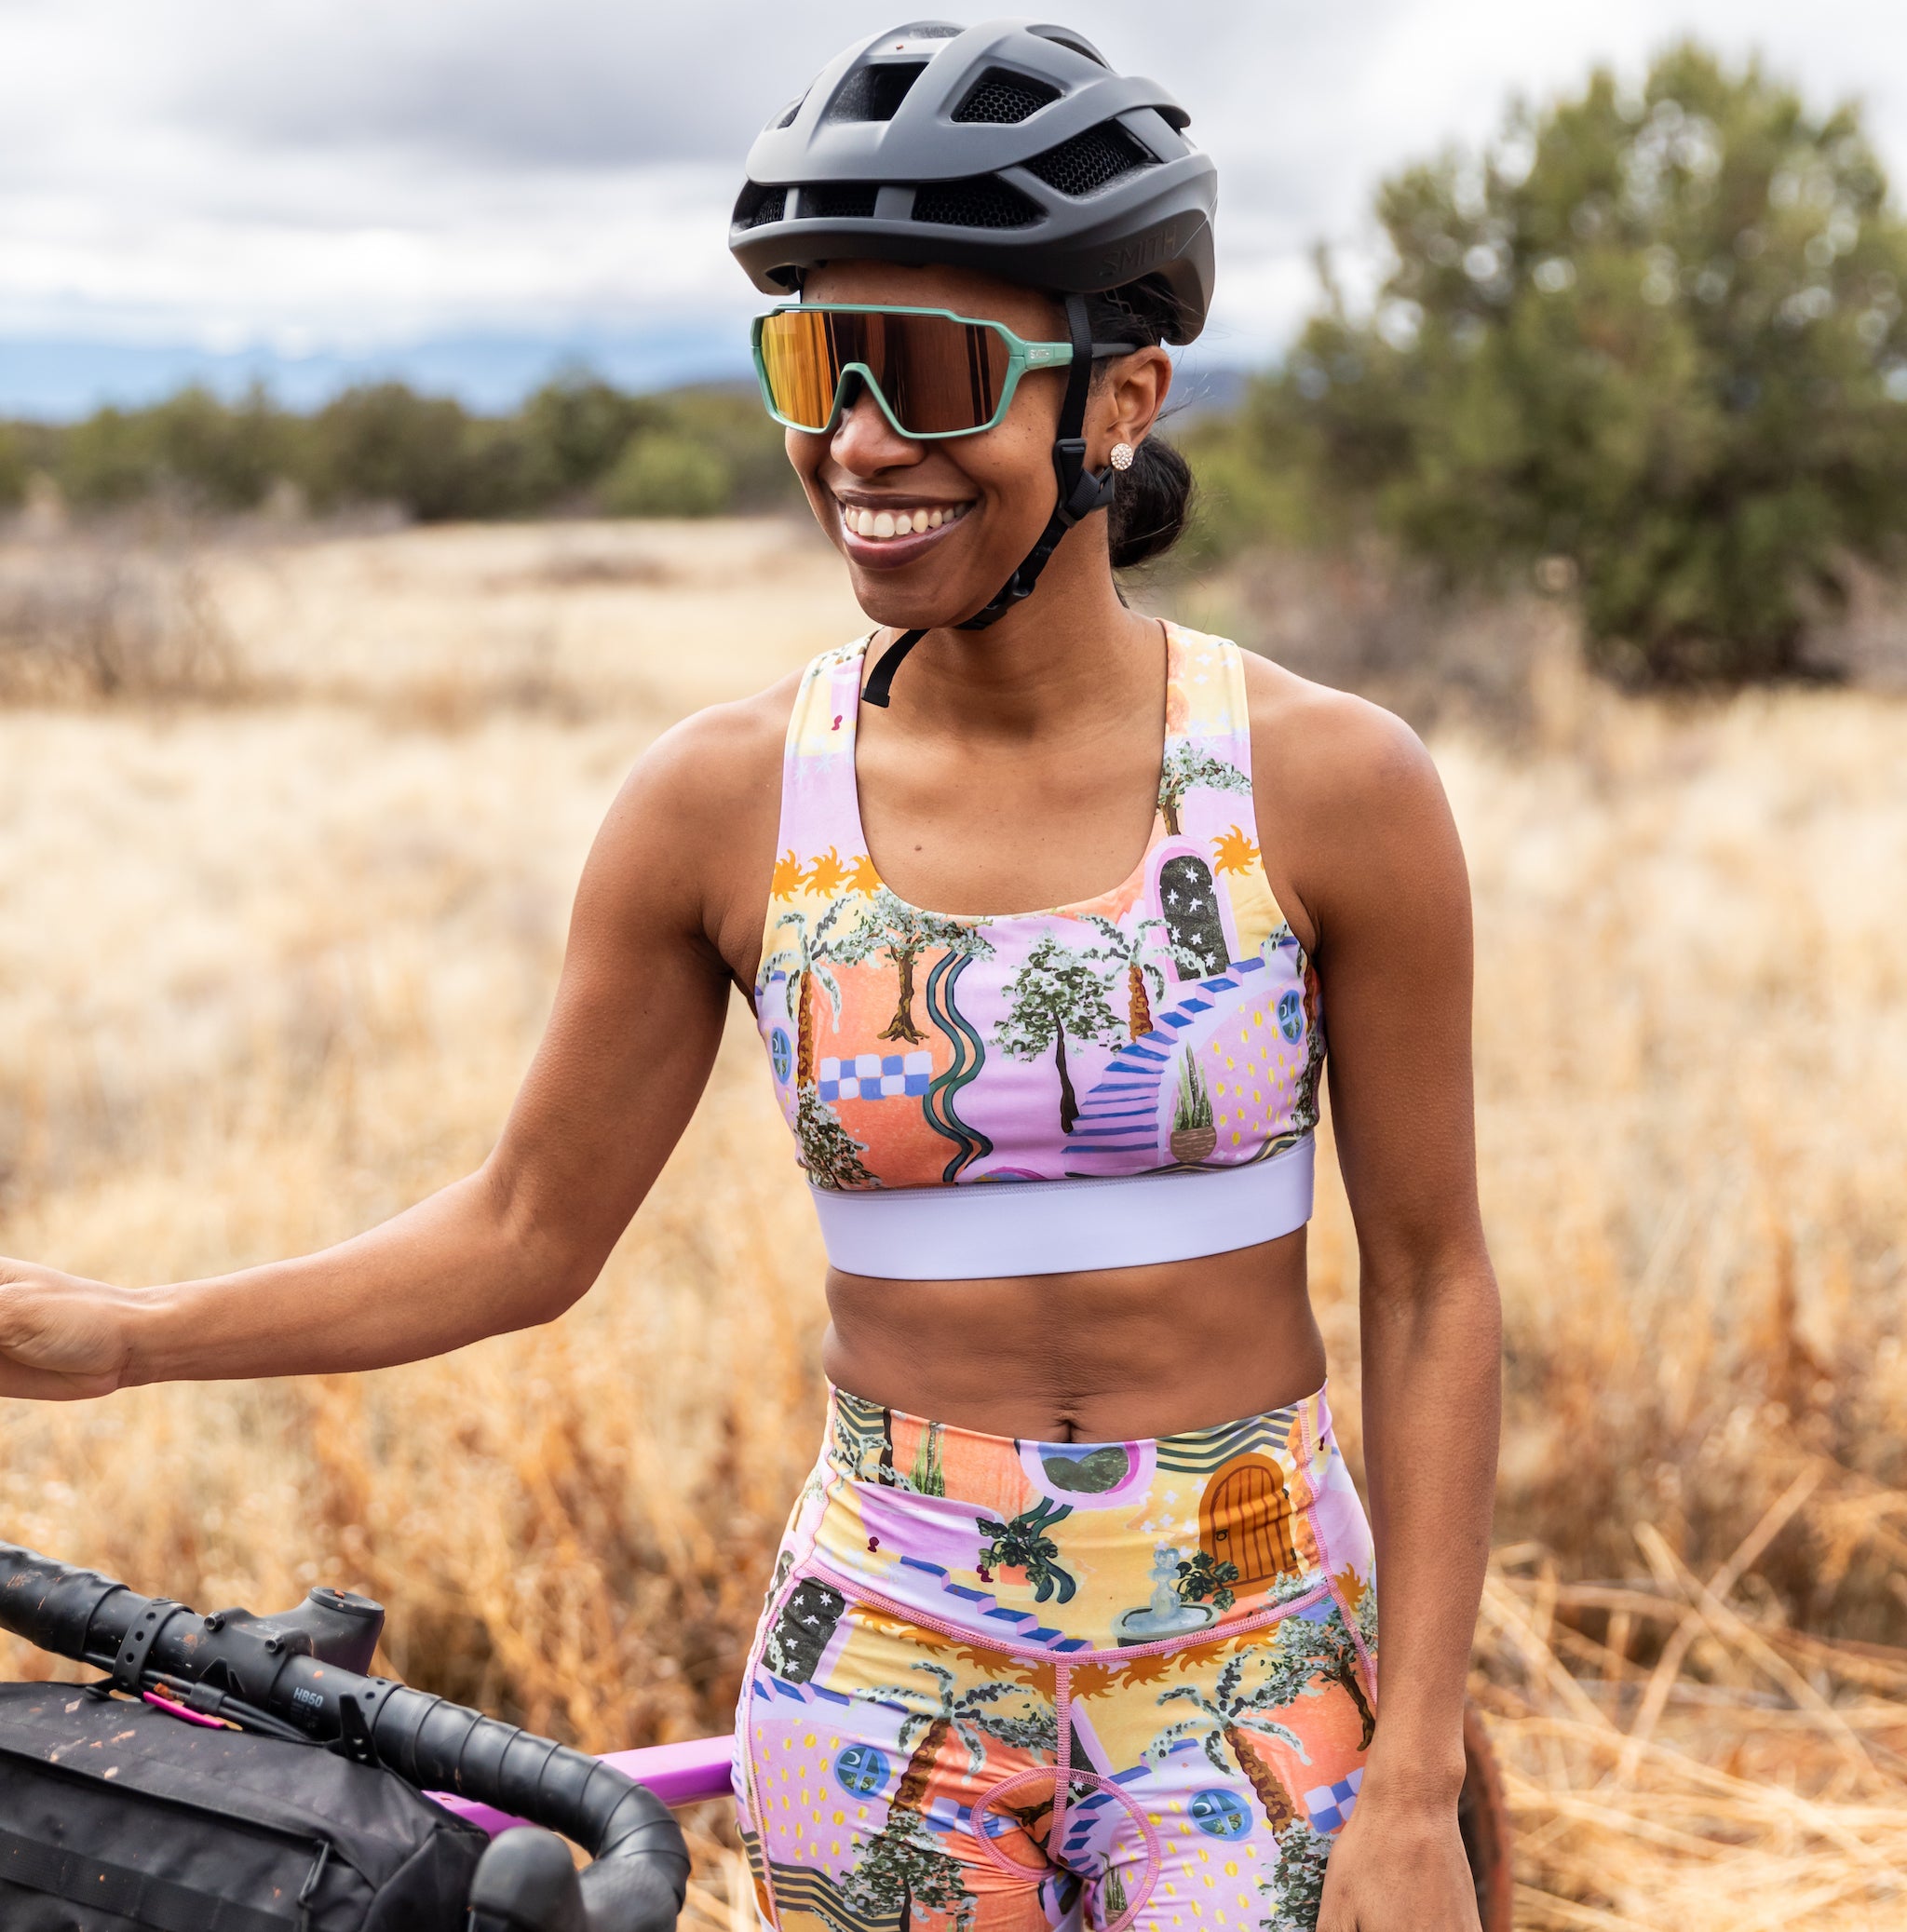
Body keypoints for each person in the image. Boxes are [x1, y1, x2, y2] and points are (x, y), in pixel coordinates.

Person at [0, 20, 1499, 1932]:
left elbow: (1440, 1284)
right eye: (815, 360)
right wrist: (121, 1335)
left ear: (1117, 399)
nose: (860, 440)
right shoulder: (718, 806)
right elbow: (523, 1232)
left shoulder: (1331, 783)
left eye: (938, 373)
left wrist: (1419, 1774)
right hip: (882, 1674)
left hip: (1257, 1676)